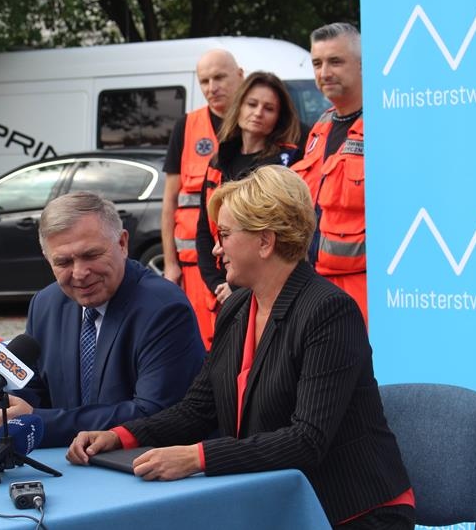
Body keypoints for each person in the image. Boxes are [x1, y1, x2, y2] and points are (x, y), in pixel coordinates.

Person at [67, 166, 414, 528]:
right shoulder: (237, 308)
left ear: (265, 241)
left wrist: (197, 457)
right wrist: (121, 435)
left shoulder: (329, 311)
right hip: (274, 502)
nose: (216, 248)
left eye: (225, 235)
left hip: (354, 511)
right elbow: (197, 410)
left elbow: (307, 440)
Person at [0, 192, 206, 448]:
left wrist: (40, 421)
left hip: (143, 463)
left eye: (91, 255)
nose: (80, 273)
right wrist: (4, 409)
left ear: (122, 243)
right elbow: (32, 389)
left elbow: (153, 413)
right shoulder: (45, 304)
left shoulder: (164, 308)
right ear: (48, 259)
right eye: (63, 262)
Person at [196, 71, 303, 307]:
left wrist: (236, 288)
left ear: (279, 117)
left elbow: (280, 238)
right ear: (239, 106)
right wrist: (217, 283)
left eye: (269, 108)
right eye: (252, 104)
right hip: (220, 291)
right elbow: (204, 229)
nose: (258, 113)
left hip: (263, 290)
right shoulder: (218, 162)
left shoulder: (285, 163)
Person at [161, 49, 244, 350]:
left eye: (219, 77)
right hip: (194, 270)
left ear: (240, 75)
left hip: (244, 267)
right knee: (202, 350)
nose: (212, 87)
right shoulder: (186, 127)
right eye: (204, 81)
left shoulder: (255, 125)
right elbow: (170, 201)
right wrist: (170, 264)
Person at [291, 22, 368, 324]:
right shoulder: (321, 125)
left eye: (335, 61)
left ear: (362, 65)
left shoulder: (385, 123)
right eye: (317, 63)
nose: (324, 73)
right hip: (315, 283)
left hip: (365, 286)